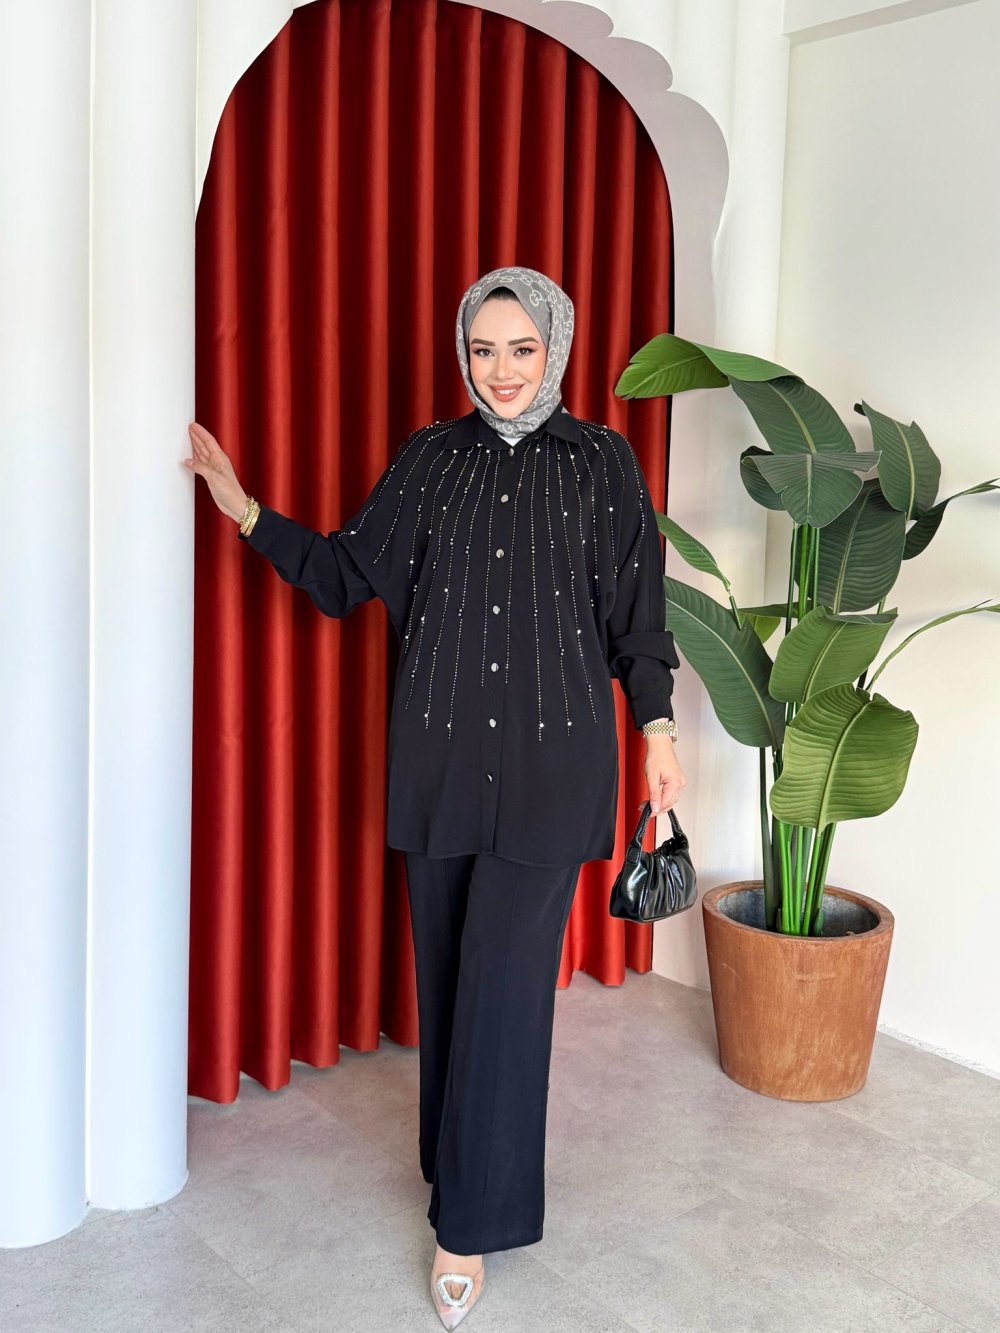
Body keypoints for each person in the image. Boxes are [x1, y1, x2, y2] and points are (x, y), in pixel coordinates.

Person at [184, 265, 686, 1327]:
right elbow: (342, 576)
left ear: (555, 347)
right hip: (442, 763)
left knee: (505, 996)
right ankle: (455, 1164)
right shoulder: (429, 458)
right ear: (464, 354)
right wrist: (244, 510)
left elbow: (637, 620)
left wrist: (658, 729)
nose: (501, 371)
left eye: (521, 349)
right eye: (482, 350)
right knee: (452, 982)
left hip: (552, 771)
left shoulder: (602, 463)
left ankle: (468, 1226)